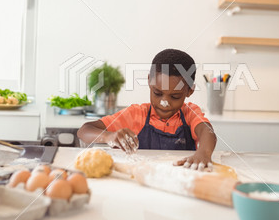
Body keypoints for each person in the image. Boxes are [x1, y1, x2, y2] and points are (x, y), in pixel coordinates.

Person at [77, 49, 217, 171]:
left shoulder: (190, 114)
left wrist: (204, 153)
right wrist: (109, 136)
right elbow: (85, 130)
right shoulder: (136, 114)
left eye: (175, 96)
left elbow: (207, 131)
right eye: (157, 93)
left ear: (189, 91)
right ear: (149, 81)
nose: (164, 102)